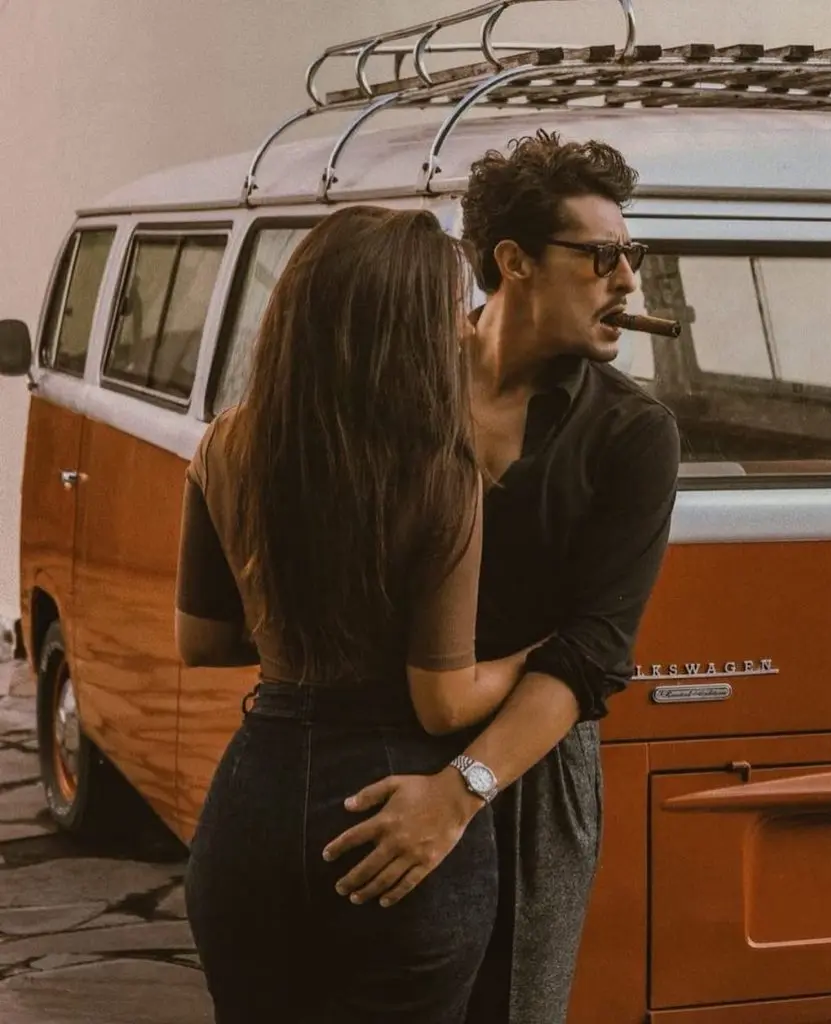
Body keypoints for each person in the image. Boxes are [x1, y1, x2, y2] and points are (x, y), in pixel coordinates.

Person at [322, 132, 681, 1024]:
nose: (627, 282)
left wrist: (458, 794)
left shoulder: (632, 434)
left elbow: (592, 649)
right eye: (600, 257)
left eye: (631, 256)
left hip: (529, 775)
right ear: (514, 261)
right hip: (369, 742)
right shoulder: (399, 381)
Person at [175, 205, 537, 1023]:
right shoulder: (443, 474)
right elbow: (442, 699)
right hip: (393, 811)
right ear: (405, 329)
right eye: (451, 309)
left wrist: (296, 623)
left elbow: (199, 640)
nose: (464, 328)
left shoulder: (226, 443)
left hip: (254, 802)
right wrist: (531, 657)